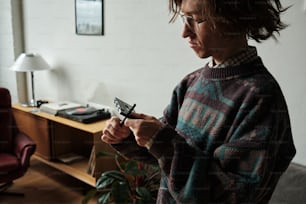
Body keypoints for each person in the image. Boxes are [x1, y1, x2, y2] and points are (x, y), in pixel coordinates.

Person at [101, 0, 296, 203]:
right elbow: (165, 156)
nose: (185, 32)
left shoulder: (262, 98)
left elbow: (231, 197)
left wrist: (161, 140)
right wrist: (127, 136)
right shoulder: (190, 83)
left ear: (232, 17)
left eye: (195, 19)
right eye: (185, 19)